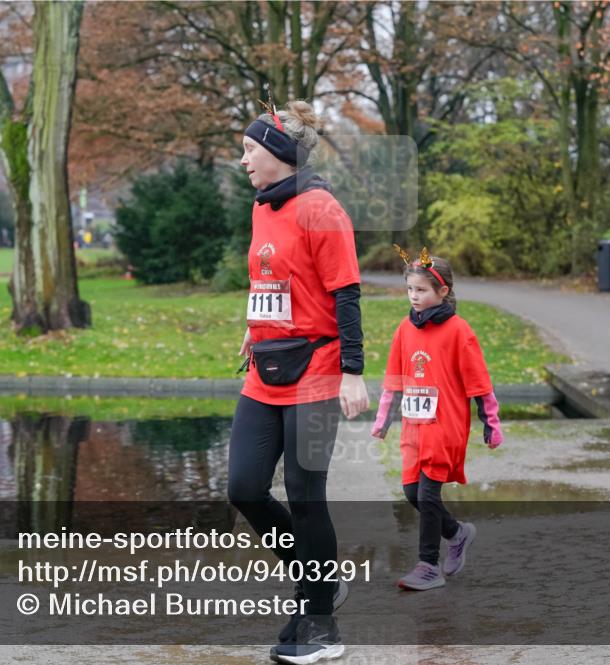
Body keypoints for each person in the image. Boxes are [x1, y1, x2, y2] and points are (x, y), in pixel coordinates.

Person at [230, 97, 369, 665]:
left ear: (279, 153)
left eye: (249, 151)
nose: (242, 161)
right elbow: (269, 275)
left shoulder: (320, 209)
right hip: (266, 369)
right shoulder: (264, 206)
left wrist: (354, 373)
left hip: (316, 370)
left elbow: (346, 294)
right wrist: (252, 326)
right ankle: (321, 582)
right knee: (244, 488)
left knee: (306, 498)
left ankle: (321, 627)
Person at [371, 248, 503, 591]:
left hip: (445, 426)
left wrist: (491, 423)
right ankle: (457, 534)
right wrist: (383, 419)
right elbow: (393, 379)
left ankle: (428, 566)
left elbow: (481, 384)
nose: (414, 297)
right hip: (413, 426)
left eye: (422, 290)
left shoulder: (460, 331)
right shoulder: (404, 329)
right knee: (412, 492)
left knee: (428, 494)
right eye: (410, 290)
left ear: (442, 292)